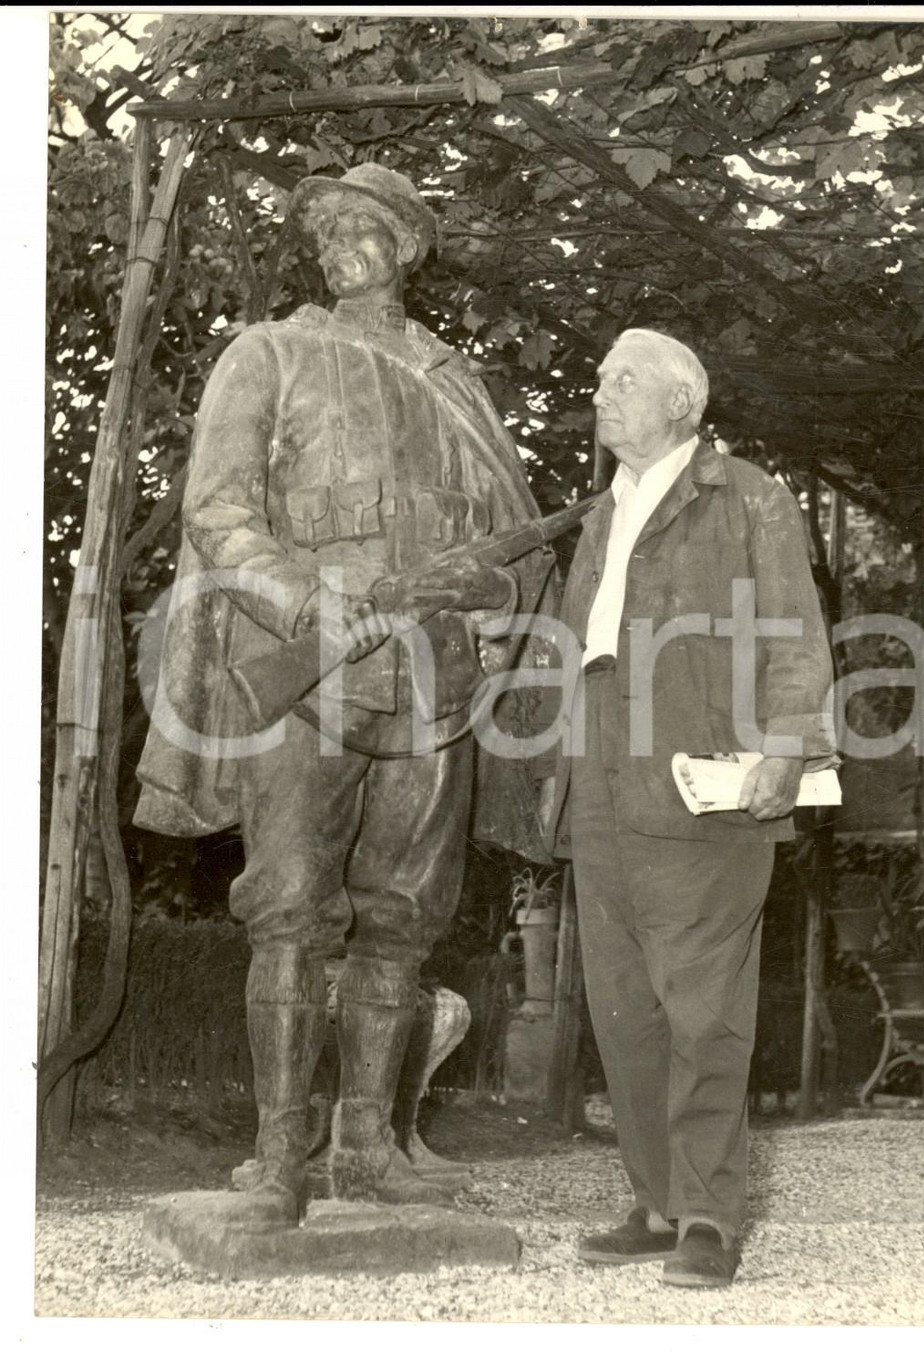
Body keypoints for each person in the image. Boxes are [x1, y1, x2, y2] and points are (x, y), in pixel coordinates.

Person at [134, 164, 553, 1225]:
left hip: (435, 682)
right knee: (287, 913)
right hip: (309, 673)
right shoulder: (267, 354)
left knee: (406, 922)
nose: (339, 244)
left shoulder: (458, 384)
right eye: (324, 231)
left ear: (407, 246)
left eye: (362, 227)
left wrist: (486, 588)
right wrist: (310, 603)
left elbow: (517, 550)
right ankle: (280, 1155)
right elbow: (219, 510)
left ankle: (369, 1143)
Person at [541, 328, 836, 1287]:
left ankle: (710, 1214)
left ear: (682, 402)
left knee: (704, 1013)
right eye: (598, 381)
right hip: (602, 787)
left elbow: (796, 625)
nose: (601, 393)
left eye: (622, 380)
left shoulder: (745, 495)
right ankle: (659, 1200)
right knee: (624, 1011)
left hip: (706, 784)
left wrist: (788, 748)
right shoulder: (601, 515)